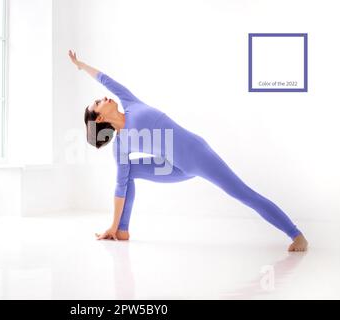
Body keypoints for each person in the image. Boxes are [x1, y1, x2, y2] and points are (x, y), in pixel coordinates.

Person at [68, 50, 308, 252]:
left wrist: (81, 66)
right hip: (176, 168)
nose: (103, 97)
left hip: (197, 155)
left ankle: (297, 236)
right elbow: (120, 187)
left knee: (243, 193)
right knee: (127, 173)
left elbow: (105, 79)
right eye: (98, 102)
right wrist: (112, 224)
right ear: (99, 118)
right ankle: (121, 231)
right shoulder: (120, 146)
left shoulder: (129, 102)